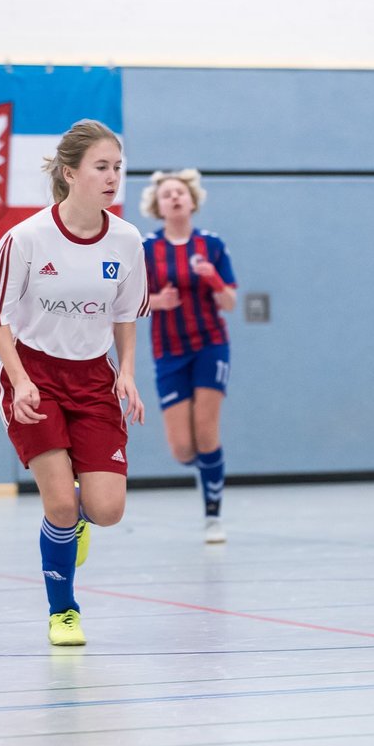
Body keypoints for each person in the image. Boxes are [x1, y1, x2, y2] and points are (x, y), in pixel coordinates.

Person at [0, 119, 149, 646]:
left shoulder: (126, 240)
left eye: (117, 167)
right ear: (70, 173)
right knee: (58, 503)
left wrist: (128, 374)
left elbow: (126, 314)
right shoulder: (26, 238)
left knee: (105, 510)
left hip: (93, 378)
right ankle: (63, 609)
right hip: (35, 375)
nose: (112, 177)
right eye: (101, 167)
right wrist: (20, 380)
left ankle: (73, 522)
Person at [140, 170, 237, 544]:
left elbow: (229, 301)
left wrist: (212, 278)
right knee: (182, 448)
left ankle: (213, 516)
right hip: (168, 351)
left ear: (192, 200)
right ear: (157, 205)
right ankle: (210, 470)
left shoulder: (212, 245)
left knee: (206, 430)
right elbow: (130, 303)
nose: (175, 198)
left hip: (210, 344)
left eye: (180, 192)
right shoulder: (147, 249)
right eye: (167, 194)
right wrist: (156, 301)